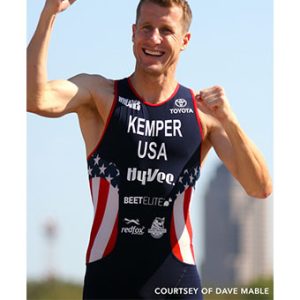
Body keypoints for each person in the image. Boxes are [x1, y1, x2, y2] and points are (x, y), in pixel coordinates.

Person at [27, 0, 272, 299]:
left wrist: (230, 121)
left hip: (177, 284)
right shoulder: (99, 96)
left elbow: (259, 187)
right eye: (146, 27)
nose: (154, 38)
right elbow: (33, 98)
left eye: (166, 30)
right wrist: (49, 13)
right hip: (108, 284)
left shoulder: (203, 114)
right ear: (133, 33)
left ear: (184, 41)